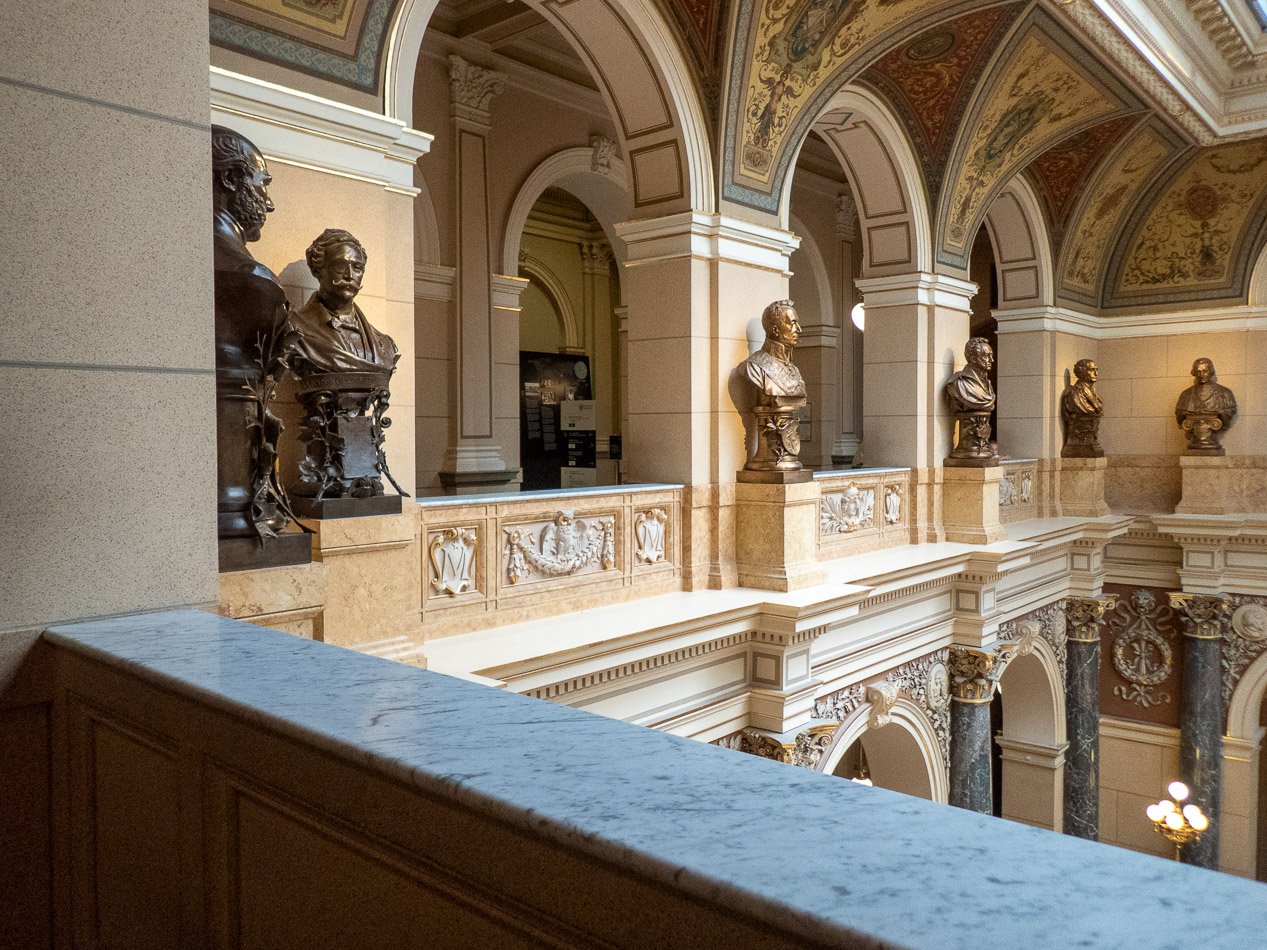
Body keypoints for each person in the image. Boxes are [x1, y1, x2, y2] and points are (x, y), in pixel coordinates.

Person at [290, 229, 399, 376]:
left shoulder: (385, 345)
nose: (349, 275)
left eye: (357, 268)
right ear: (317, 270)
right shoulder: (295, 329)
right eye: (340, 266)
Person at [744, 299, 806, 404]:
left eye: (797, 323)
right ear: (775, 330)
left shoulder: (794, 369)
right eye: (792, 323)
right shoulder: (754, 367)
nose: (799, 329)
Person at [1174, 357, 1236, 427]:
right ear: (1194, 373)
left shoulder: (1225, 393)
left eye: (1205, 371)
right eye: (1198, 372)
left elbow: (1228, 414)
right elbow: (1180, 417)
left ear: (1211, 372)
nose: (1201, 375)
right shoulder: (1185, 395)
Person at [945, 338, 996, 414]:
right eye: (986, 356)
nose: (991, 360)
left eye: (991, 356)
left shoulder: (988, 383)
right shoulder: (959, 383)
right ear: (973, 358)